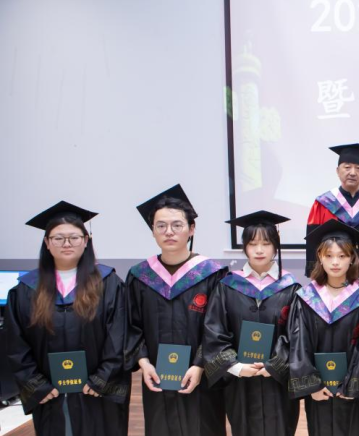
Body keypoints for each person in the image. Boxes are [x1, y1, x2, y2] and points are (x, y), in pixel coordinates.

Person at [5, 202, 129, 436]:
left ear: (86, 240)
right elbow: (15, 342)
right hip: (50, 392)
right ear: (47, 243)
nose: (66, 243)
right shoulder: (27, 289)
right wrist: (36, 385)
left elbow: (120, 335)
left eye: (74, 237)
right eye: (58, 238)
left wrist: (101, 379)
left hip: (95, 392)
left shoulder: (108, 283)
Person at [125, 185, 229, 436]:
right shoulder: (140, 276)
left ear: (191, 229)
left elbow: (219, 327)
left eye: (177, 225)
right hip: (156, 376)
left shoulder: (212, 274)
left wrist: (200, 365)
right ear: (152, 230)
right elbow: (130, 325)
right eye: (161, 226)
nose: (169, 232)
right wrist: (144, 363)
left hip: (201, 377)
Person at [202, 211, 300, 435]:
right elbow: (214, 331)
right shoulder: (227, 286)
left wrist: (274, 366)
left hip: (277, 382)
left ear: (276, 247)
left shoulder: (291, 287)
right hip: (240, 381)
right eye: (252, 243)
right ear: (244, 247)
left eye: (266, 243)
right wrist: (236, 367)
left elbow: (298, 334)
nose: (259, 250)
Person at [282, 220, 359, 436]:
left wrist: (353, 385)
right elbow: (299, 344)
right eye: (329, 256)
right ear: (319, 256)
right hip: (320, 391)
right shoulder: (306, 298)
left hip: (356, 392)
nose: (335, 262)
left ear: (352, 258)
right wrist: (313, 386)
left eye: (342, 256)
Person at [305, 143, 359, 284]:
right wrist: (315, 274)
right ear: (337, 170)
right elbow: (313, 241)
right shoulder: (323, 203)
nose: (352, 172)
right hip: (330, 279)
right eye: (347, 167)